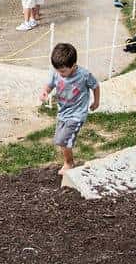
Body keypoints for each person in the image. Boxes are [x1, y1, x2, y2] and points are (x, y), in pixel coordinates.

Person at [39, 43, 100, 175]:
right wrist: (45, 92)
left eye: (63, 71)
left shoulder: (84, 75)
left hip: (77, 114)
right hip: (63, 113)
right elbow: (50, 85)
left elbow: (95, 86)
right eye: (58, 70)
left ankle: (69, 163)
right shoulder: (56, 73)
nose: (60, 74)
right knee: (59, 140)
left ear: (73, 65)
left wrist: (96, 102)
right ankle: (68, 161)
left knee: (63, 140)